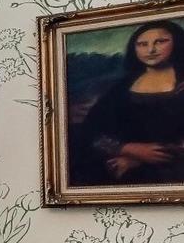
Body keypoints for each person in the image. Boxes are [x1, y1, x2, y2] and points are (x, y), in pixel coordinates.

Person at [72, 19, 184, 186]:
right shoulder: (122, 87)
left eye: (160, 41)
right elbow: (92, 130)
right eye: (142, 44)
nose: (151, 50)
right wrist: (127, 149)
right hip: (123, 170)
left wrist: (139, 160)